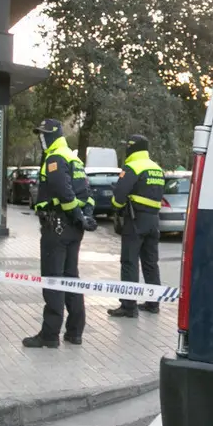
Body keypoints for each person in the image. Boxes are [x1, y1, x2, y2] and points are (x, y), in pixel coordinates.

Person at [22, 119, 98, 349]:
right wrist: (84, 216)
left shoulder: (55, 158)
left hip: (56, 227)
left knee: (53, 279)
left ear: (53, 135)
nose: (41, 138)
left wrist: (77, 215)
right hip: (73, 229)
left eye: (43, 134)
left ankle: (50, 335)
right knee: (70, 278)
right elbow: (87, 193)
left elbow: (64, 192)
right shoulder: (74, 159)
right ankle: (75, 332)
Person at [107, 134, 165, 318]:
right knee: (150, 263)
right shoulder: (156, 168)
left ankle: (129, 306)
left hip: (135, 220)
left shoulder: (133, 167)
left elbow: (119, 196)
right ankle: (153, 303)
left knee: (129, 262)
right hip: (154, 221)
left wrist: (116, 207)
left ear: (131, 147)